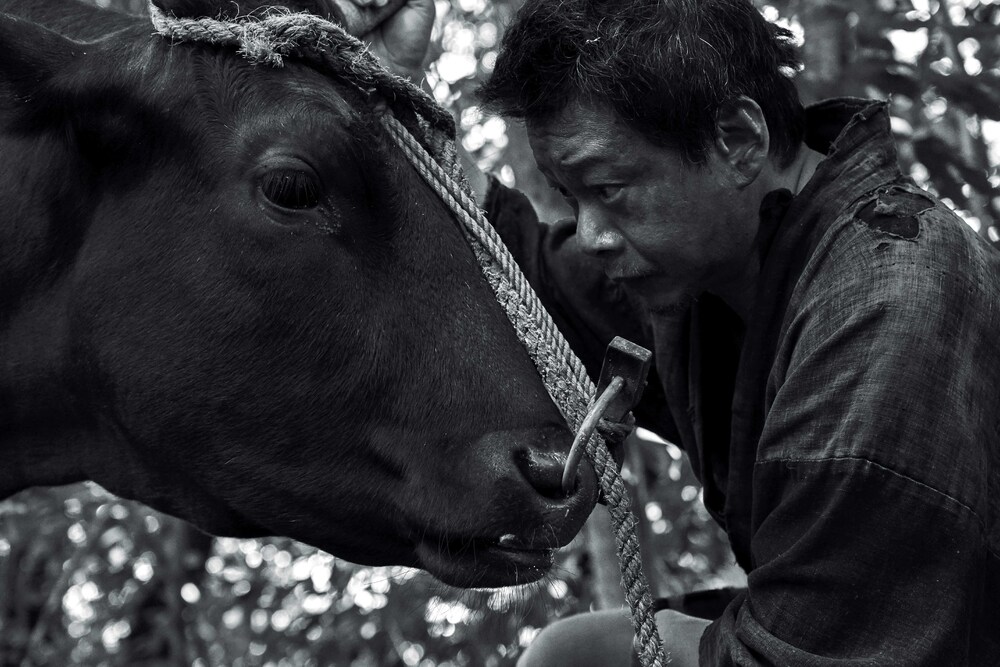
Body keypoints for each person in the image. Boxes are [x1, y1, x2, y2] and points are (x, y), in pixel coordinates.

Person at [355, 0, 1000, 664]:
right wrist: (383, 91)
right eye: (573, 196)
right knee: (573, 653)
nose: (592, 234)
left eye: (609, 187)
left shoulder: (885, 304)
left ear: (739, 140)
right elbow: (526, 275)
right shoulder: (704, 265)